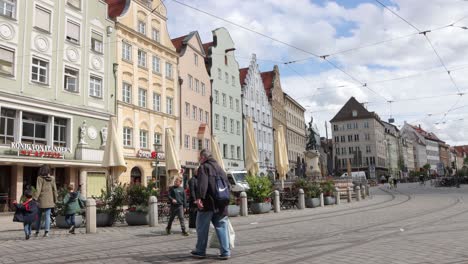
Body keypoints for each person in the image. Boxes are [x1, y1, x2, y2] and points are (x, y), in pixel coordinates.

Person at [191, 149, 230, 260]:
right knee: (221, 226)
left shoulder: (204, 167)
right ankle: (225, 252)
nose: (199, 159)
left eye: (199, 157)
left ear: (203, 157)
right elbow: (228, 185)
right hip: (222, 203)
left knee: (202, 227)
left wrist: (199, 198)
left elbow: (202, 184)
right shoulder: (220, 168)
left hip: (208, 203)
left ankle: (200, 251)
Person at [33, 164, 58, 237]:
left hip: (41, 200)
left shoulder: (39, 178)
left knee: (38, 216)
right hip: (50, 200)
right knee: (47, 216)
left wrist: (35, 198)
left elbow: (38, 189)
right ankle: (46, 232)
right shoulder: (52, 178)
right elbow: (55, 190)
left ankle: (37, 232)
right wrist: (55, 200)